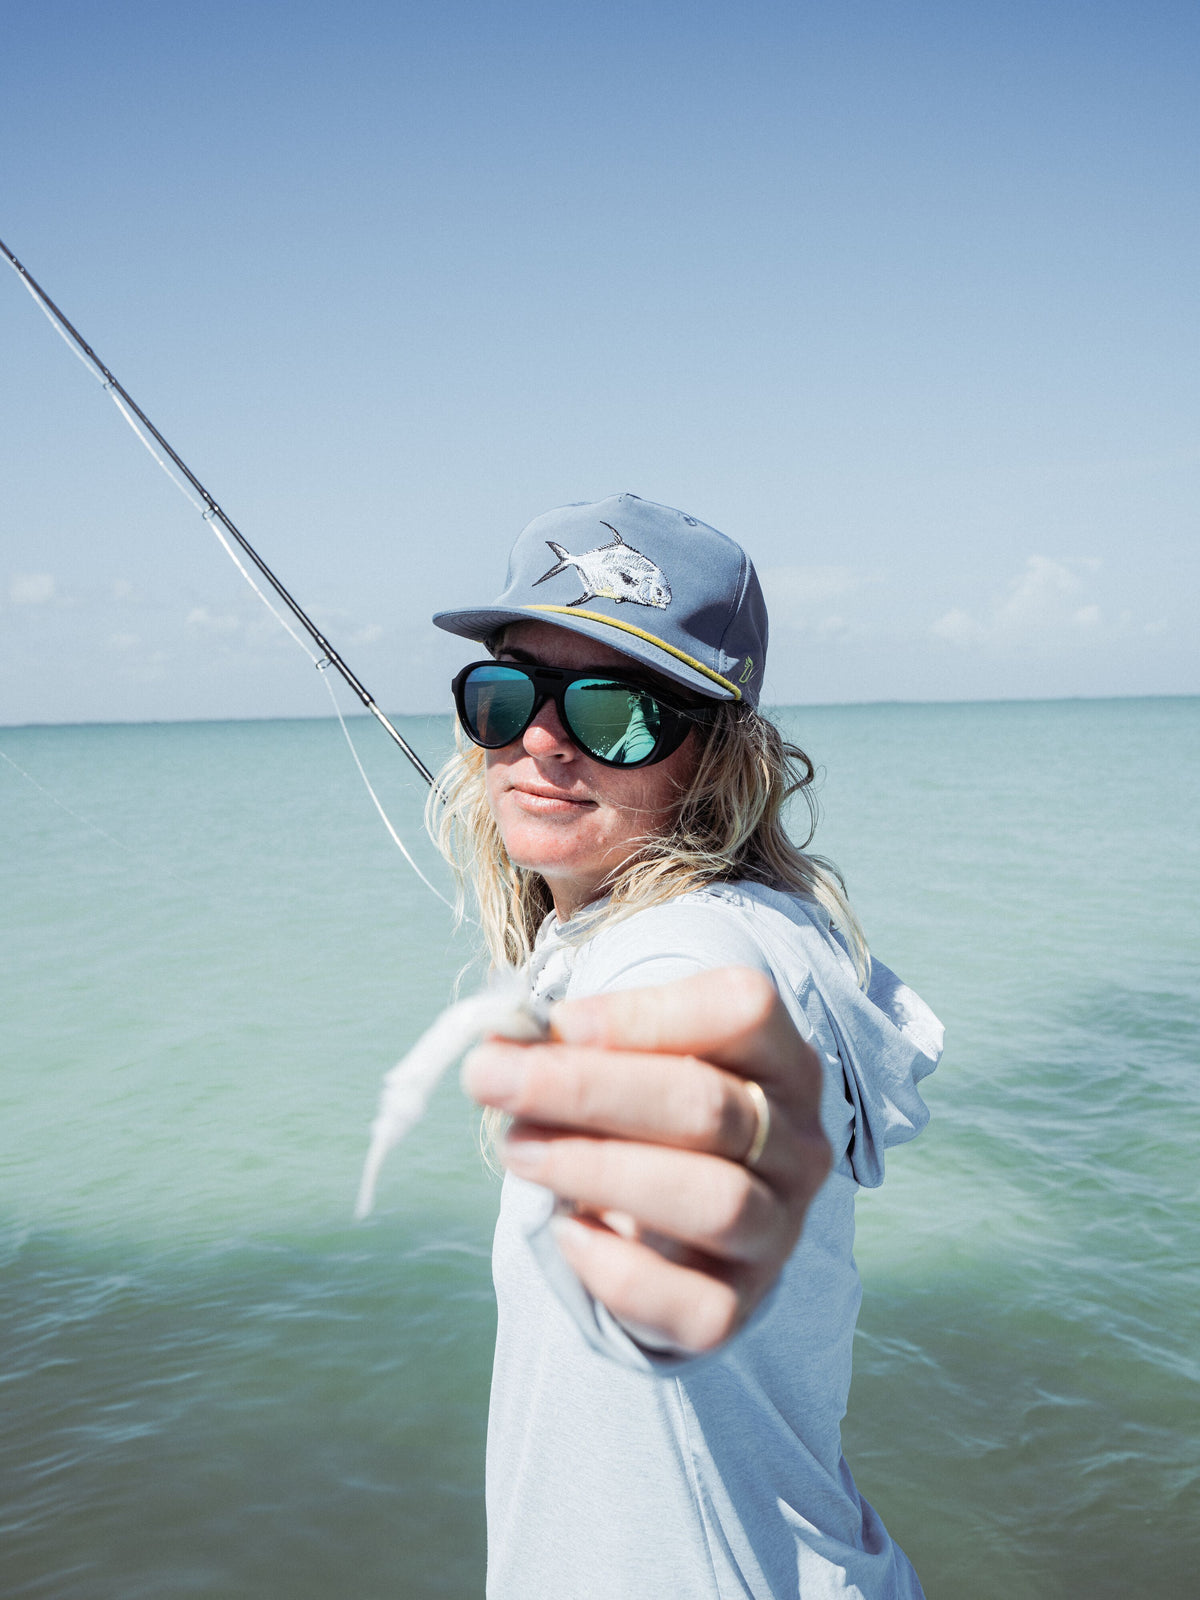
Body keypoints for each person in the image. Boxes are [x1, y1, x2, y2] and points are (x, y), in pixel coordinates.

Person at [428, 493, 944, 1599]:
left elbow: (712, 1029)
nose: (541, 743)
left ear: (715, 757)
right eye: (505, 695)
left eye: (616, 713)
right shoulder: (703, 922)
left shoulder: (691, 949)